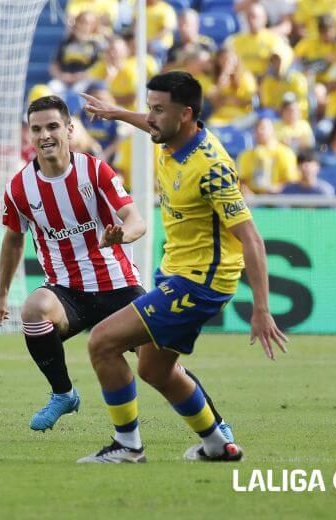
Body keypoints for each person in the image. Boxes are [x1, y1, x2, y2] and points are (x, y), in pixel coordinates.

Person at [0, 95, 234, 443]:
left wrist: (121, 236)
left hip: (119, 288)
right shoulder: (19, 188)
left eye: (53, 126)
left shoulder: (95, 170)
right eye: (37, 128)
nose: (45, 135)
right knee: (33, 310)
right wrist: (0, 294)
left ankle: (217, 424)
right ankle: (63, 394)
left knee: (160, 365)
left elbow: (136, 221)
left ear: (70, 130)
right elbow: (13, 241)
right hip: (66, 291)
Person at [80, 72, 287, 463]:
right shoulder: (170, 136)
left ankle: (127, 446)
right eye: (150, 107)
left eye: (159, 109)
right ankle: (217, 444)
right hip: (176, 271)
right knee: (154, 370)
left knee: (102, 341)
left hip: (199, 283)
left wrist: (261, 309)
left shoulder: (211, 168)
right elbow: (150, 122)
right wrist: (116, 113)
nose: (150, 117)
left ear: (186, 114)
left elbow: (252, 239)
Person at [237, 117, 299, 194]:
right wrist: (249, 195)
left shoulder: (285, 152)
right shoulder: (245, 155)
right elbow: (242, 181)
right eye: (256, 128)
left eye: (263, 128)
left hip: (279, 198)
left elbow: (291, 181)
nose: (259, 131)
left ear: (273, 131)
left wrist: (275, 189)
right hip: (252, 200)